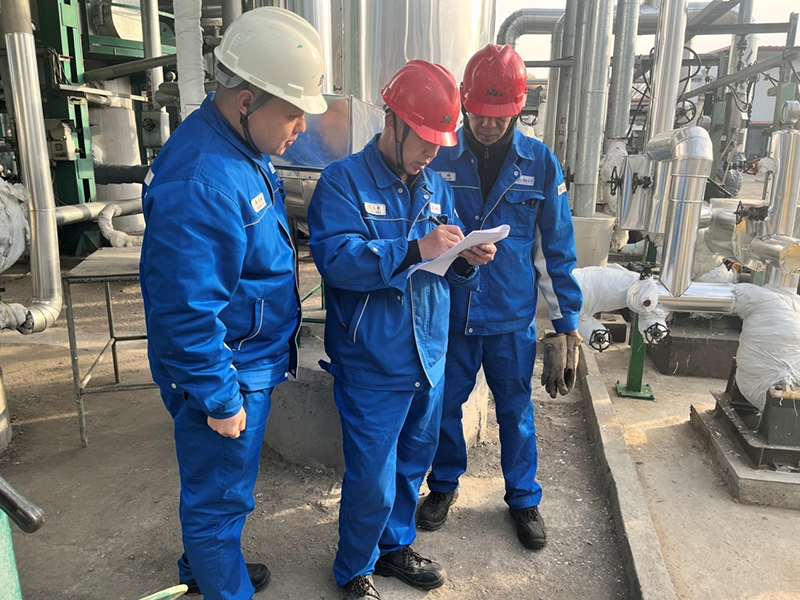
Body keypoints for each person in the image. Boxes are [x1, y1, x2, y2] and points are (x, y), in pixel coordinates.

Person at [139, 8, 326, 599]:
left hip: (243, 359)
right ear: (246, 101)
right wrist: (218, 396)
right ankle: (223, 584)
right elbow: (185, 310)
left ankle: (205, 571)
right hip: (227, 370)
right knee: (220, 500)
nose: (301, 127)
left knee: (218, 489)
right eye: (292, 113)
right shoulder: (203, 180)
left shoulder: (238, 148)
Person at [307, 61, 496, 600]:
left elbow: (441, 264)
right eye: (424, 140)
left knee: (412, 463)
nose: (432, 152)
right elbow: (337, 262)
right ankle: (355, 568)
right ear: (391, 122)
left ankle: (394, 547)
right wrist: (414, 248)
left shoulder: (435, 186)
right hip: (373, 359)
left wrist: (466, 260)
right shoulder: (343, 182)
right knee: (371, 476)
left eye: (440, 142)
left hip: (428, 354)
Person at [416, 44, 583, 551]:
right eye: (479, 114)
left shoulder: (540, 162)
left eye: (500, 115)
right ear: (465, 104)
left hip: (511, 318)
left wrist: (566, 323)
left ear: (518, 109)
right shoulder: (440, 155)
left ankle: (523, 497)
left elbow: (555, 248)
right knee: (444, 405)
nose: (488, 125)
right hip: (452, 312)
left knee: (516, 409)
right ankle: (444, 484)